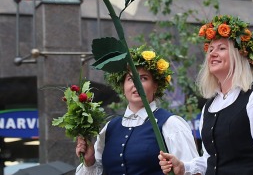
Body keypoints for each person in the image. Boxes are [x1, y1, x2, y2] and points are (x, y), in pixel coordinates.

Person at [159, 14, 253, 175]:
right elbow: (212, 159)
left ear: (239, 55)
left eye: (222, 48)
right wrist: (184, 167)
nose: (212, 53)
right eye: (210, 49)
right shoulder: (210, 106)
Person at [75, 45, 200, 174]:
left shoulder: (171, 124)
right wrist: (90, 163)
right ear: (123, 86)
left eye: (144, 78)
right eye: (130, 79)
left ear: (155, 86)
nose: (136, 84)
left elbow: (193, 170)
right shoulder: (109, 129)